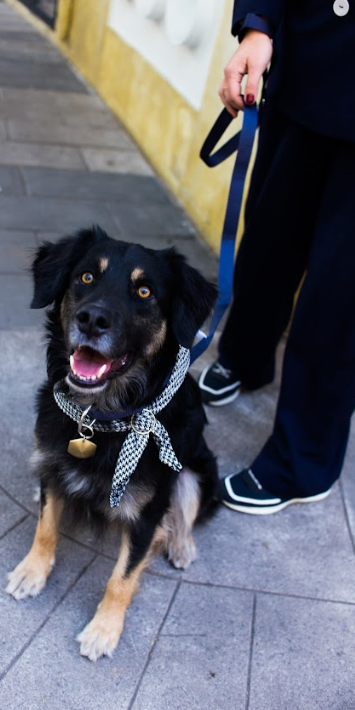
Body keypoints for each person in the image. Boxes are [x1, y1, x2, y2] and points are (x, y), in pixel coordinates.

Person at [198, 0, 355, 514]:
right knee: (267, 240)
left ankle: (303, 462)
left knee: (337, 297)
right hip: (308, 59)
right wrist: (259, 25)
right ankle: (245, 356)